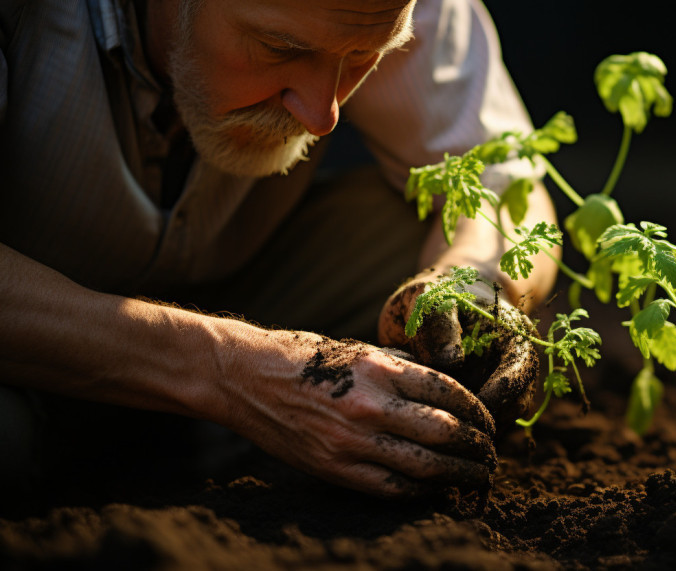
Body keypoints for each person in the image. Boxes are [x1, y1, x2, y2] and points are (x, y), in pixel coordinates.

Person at [0, 0, 559, 499]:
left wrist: (469, 282)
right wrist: (230, 370)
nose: (322, 114)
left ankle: (207, 440)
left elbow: (503, 184)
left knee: (423, 236)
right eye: (280, 49)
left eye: (364, 58)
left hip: (245, 284)